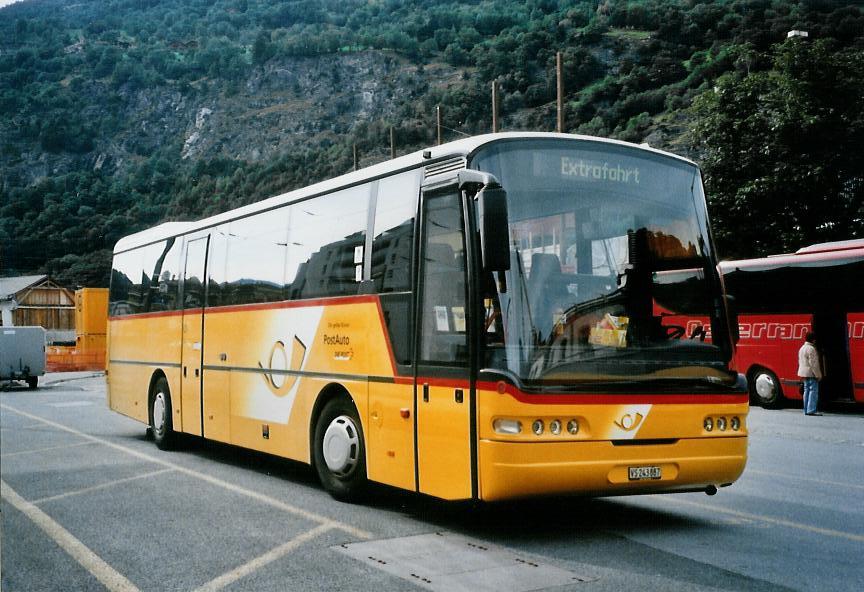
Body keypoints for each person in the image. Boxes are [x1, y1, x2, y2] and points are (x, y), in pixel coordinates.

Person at [797, 331, 823, 416]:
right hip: (811, 373)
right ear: (813, 340)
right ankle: (811, 409)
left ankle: (806, 409)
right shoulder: (811, 349)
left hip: (804, 373)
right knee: (813, 391)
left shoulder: (802, 348)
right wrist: (818, 375)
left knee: (806, 390)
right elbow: (814, 364)